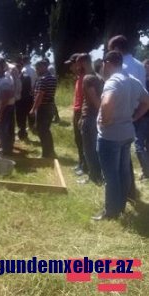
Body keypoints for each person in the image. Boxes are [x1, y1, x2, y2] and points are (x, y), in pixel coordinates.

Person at [92, 51, 149, 220]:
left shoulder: (113, 81)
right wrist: (135, 117)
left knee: (111, 175)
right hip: (127, 132)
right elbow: (147, 102)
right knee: (123, 172)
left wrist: (105, 120)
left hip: (110, 136)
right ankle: (121, 206)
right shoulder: (133, 80)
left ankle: (111, 211)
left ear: (107, 63)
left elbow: (107, 102)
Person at [77, 53, 103, 185]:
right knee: (94, 148)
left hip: (90, 116)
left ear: (82, 63)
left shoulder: (87, 78)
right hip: (96, 116)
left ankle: (94, 176)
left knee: (88, 149)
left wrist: (83, 117)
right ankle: (97, 175)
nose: (76, 67)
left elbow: (94, 99)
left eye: (77, 63)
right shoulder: (99, 77)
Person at [65, 53, 87, 176]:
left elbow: (86, 99)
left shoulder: (85, 78)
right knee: (78, 140)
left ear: (78, 64)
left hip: (81, 112)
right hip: (77, 111)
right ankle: (81, 163)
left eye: (71, 65)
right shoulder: (79, 78)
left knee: (83, 140)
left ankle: (85, 166)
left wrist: (82, 115)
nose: (70, 68)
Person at [30, 59, 57, 158]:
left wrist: (33, 109)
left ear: (43, 67)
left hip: (43, 107)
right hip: (49, 106)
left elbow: (40, 95)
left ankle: (46, 154)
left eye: (37, 68)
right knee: (45, 130)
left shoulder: (43, 79)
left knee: (42, 130)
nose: (36, 70)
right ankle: (50, 151)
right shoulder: (52, 78)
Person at [0, 57, 15, 156]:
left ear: (0, 67)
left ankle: (6, 151)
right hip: (3, 107)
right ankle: (6, 148)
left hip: (4, 108)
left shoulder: (5, 79)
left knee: (3, 129)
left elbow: (6, 96)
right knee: (4, 129)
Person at [16, 57, 34, 140]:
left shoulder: (24, 77)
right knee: (22, 116)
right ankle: (24, 130)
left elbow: (26, 88)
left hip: (23, 99)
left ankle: (23, 131)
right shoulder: (15, 78)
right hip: (23, 98)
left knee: (23, 116)